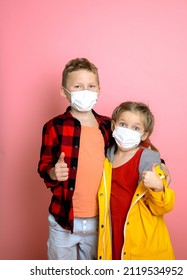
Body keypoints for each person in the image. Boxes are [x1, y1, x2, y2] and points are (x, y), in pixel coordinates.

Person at [37, 57, 114, 260]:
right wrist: (53, 172)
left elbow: (132, 149)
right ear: (64, 91)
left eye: (91, 86)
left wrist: (159, 164)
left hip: (99, 220)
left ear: (99, 89)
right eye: (78, 86)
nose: (85, 91)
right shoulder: (54, 126)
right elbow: (44, 166)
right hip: (63, 219)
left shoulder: (108, 126)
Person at [97, 101, 175, 260]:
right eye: (123, 124)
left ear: (144, 135)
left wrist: (158, 187)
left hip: (143, 241)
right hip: (112, 233)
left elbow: (163, 207)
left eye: (135, 128)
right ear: (114, 125)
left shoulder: (150, 162)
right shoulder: (106, 158)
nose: (127, 131)